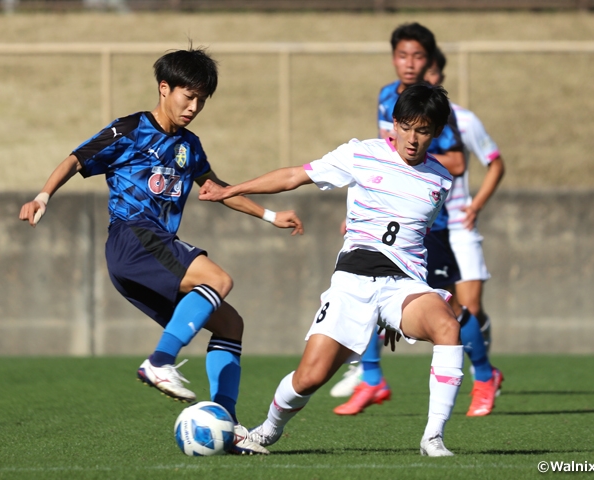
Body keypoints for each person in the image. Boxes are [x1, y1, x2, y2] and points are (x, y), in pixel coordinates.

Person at [18, 47, 304, 455]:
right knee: (218, 279)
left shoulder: (189, 145)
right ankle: (159, 361)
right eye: (188, 96)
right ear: (164, 88)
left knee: (230, 325)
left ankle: (228, 423)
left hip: (151, 249)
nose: (194, 107)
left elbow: (216, 188)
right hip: (134, 237)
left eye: (202, 100)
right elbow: (76, 159)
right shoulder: (130, 129)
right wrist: (44, 195)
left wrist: (270, 215)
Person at [200, 83, 464, 457]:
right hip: (353, 283)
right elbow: (295, 175)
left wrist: (395, 312)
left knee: (448, 326)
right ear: (394, 123)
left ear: (435, 133)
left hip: (403, 286)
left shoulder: (440, 180)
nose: (412, 138)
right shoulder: (361, 154)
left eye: (423, 131)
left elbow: (412, 240)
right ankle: (266, 432)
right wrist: (231, 190)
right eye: (406, 126)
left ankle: (433, 438)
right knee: (309, 377)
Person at [332, 44, 504, 418]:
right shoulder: (386, 97)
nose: (409, 64)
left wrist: (414, 171)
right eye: (402, 55)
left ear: (430, 63)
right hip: (386, 219)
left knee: (455, 310)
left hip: (429, 225)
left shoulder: (438, 110)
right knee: (364, 286)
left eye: (418, 57)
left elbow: (456, 160)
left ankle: (486, 375)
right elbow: (386, 153)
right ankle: (373, 378)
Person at [424, 49, 506, 350]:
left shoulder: (464, 120)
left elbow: (495, 163)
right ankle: (366, 369)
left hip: (458, 224)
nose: (426, 78)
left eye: (432, 72)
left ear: (441, 77)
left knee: (468, 305)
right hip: (422, 227)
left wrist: (476, 205)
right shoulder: (403, 122)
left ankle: (482, 370)